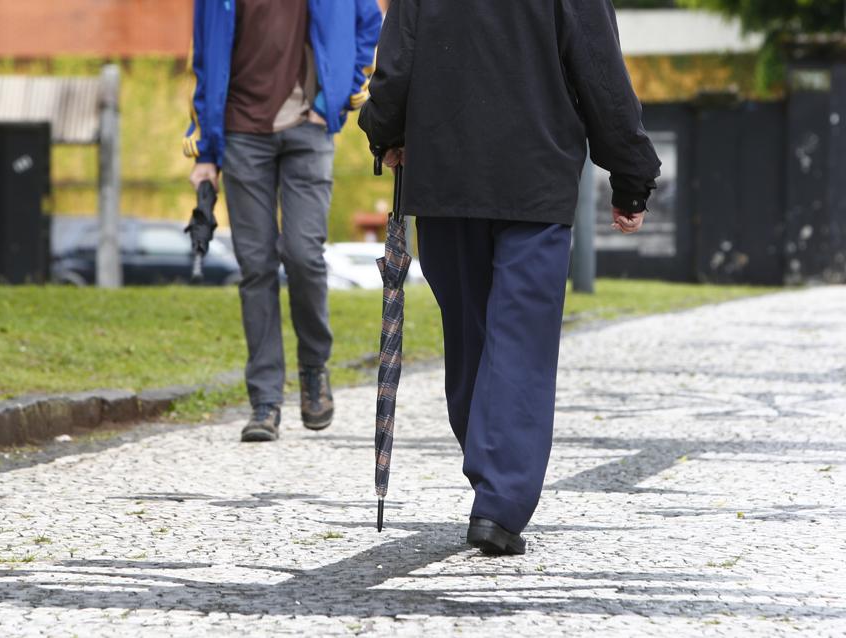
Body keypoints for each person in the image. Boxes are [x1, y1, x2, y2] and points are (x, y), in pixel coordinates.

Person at [359, 0, 661, 554]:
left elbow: (397, 62)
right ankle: (499, 500)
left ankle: (492, 479)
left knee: (471, 338)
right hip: (534, 181)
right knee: (520, 339)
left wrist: (385, 131)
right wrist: (631, 171)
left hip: (446, 180)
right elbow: (597, 67)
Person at [185, 0, 382, 443]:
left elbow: (370, 26)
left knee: (303, 254)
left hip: (308, 130)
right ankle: (265, 403)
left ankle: (314, 369)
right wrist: (206, 154)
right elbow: (204, 61)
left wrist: (335, 98)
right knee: (255, 267)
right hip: (240, 133)